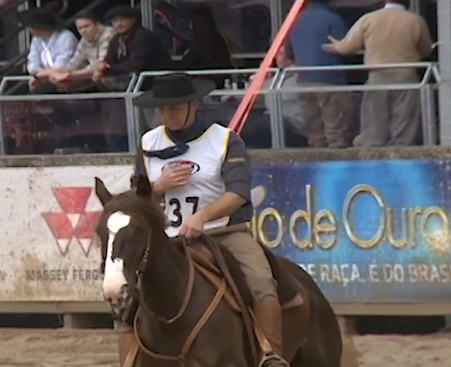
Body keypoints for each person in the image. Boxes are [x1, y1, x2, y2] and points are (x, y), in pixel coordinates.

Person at [113, 73, 289, 367]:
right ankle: (130, 359)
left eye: (175, 107)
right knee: (124, 294)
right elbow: (138, 199)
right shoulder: (148, 143)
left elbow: (238, 193)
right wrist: (158, 186)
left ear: (195, 105)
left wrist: (203, 217)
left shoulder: (224, 140)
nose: (167, 114)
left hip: (224, 232)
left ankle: (271, 354)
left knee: (260, 281)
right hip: (166, 239)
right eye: (163, 108)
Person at [323, 0, 433, 146]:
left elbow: (347, 47)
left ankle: (373, 148)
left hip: (377, 76)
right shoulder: (416, 20)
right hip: (406, 76)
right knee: (405, 119)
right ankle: (402, 149)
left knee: (374, 118)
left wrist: (337, 46)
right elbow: (426, 50)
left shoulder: (368, 18)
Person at [285, 0, 351, 148]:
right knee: (335, 128)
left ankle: (317, 154)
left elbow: (289, 53)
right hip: (330, 78)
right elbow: (345, 48)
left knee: (313, 127)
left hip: (304, 78)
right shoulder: (334, 19)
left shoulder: (295, 20)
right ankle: (336, 157)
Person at [48, 11, 116, 92]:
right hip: (97, 79)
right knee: (59, 84)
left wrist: (69, 75)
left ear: (97, 24)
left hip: (115, 76)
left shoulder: (109, 34)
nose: (83, 31)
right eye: (80, 28)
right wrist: (59, 73)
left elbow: (101, 64)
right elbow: (74, 63)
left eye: (86, 26)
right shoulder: (85, 40)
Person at [19, 7, 78, 93]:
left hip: (66, 80)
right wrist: (42, 74)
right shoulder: (36, 39)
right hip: (44, 79)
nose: (28, 29)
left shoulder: (66, 37)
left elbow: (62, 66)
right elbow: (32, 65)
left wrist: (41, 75)